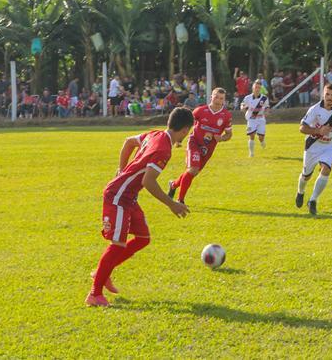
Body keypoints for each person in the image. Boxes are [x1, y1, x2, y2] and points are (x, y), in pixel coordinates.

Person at [86, 107, 194, 307]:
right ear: (185, 130)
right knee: (118, 244)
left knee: (143, 238)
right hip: (118, 196)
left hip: (129, 197)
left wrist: (121, 169)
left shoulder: (155, 134)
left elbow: (128, 142)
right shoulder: (164, 149)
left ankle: (103, 272)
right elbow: (148, 181)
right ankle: (95, 294)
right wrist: (172, 204)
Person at [167, 88, 233, 205]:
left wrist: (221, 138)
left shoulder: (226, 116)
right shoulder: (200, 111)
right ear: (211, 96)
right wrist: (179, 140)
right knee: (193, 169)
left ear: (224, 100)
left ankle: (173, 185)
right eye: (216, 97)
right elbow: (185, 125)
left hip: (208, 150)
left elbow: (229, 134)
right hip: (194, 143)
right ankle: (180, 200)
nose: (218, 100)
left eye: (221, 98)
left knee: (192, 172)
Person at [296, 82, 332, 214]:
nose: (329, 97)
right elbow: (302, 128)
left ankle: (313, 200)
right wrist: (318, 131)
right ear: (323, 94)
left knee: (326, 169)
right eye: (327, 94)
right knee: (306, 176)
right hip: (313, 146)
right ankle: (300, 191)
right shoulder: (314, 109)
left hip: (329, 147)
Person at [240, 80, 269, 158]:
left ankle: (262, 141)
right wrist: (243, 108)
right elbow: (242, 105)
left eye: (259, 87)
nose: (257, 89)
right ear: (253, 88)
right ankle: (251, 153)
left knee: (261, 137)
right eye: (256, 87)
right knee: (251, 135)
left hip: (260, 119)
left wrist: (266, 112)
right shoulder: (247, 98)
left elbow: (267, 107)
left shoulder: (264, 98)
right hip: (251, 119)